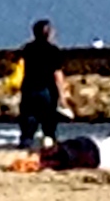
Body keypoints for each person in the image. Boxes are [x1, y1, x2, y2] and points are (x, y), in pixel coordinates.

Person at [14, 20, 69, 151]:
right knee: (48, 124)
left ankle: (25, 147)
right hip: (47, 90)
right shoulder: (53, 50)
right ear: (48, 33)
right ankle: (49, 149)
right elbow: (57, 74)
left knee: (28, 123)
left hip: (29, 90)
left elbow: (20, 67)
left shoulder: (27, 49)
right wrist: (63, 96)